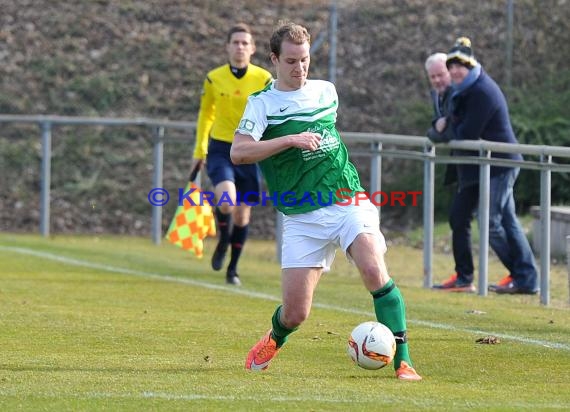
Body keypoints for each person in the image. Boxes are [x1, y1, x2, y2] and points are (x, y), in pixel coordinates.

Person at [231, 21, 422, 380]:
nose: (299, 68)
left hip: (347, 199)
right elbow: (239, 152)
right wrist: (289, 141)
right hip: (302, 217)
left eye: (304, 60)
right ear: (273, 59)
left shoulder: (326, 92)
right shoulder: (262, 105)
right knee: (296, 314)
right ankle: (275, 337)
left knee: (372, 268)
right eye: (290, 61)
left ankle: (404, 361)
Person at [430, 37, 538, 295]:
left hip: (500, 164)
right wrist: (442, 128)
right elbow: (443, 127)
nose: (455, 70)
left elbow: (464, 133)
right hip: (482, 166)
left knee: (492, 222)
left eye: (461, 65)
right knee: (487, 219)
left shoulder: (481, 90)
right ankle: (514, 277)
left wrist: (444, 128)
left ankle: (524, 278)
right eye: (452, 65)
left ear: (472, 65)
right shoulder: (462, 90)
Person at [191, 23, 272, 286]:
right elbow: (206, 114)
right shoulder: (214, 77)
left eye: (244, 43)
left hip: (250, 149)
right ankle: (223, 240)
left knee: (242, 215)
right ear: (227, 47)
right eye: (235, 42)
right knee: (227, 200)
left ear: (253, 48)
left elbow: (273, 114)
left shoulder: (263, 79)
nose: (240, 47)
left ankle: (233, 268)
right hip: (221, 149)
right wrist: (199, 149)